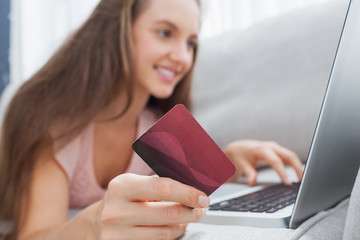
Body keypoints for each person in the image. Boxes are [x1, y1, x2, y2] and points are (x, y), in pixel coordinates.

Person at [0, 0, 304, 239]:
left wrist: (229, 162)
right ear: (116, 30)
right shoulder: (57, 127)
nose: (183, 57)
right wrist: (93, 223)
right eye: (165, 33)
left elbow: (170, 185)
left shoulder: (154, 123)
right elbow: (32, 235)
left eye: (191, 43)